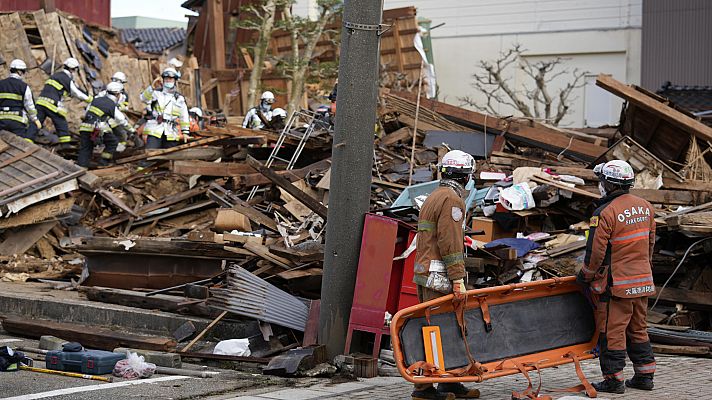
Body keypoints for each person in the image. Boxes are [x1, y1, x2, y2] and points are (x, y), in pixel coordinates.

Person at [577, 160, 656, 394]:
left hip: (616, 285)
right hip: (642, 281)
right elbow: (650, 244)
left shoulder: (604, 212)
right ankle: (645, 376)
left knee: (612, 331)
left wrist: (586, 276)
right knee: (638, 328)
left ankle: (613, 380)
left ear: (608, 184)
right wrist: (643, 270)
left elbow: (595, 251)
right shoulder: (646, 207)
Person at [411, 150, 480, 400]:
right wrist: (458, 279)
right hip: (440, 278)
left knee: (441, 330)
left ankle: (449, 381)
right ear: (465, 176)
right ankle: (425, 387)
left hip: (426, 273)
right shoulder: (452, 200)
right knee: (439, 331)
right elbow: (449, 243)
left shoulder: (434, 195)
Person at [27, 57, 91, 146]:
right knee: (61, 123)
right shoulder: (65, 78)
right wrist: (89, 99)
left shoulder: (55, 76)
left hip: (40, 103)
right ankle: (65, 146)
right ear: (73, 69)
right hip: (51, 104)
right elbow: (76, 92)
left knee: (36, 123)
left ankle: (27, 141)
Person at [77, 81, 132, 167]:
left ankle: (81, 167)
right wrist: (132, 130)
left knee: (86, 147)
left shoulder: (96, 99)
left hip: (84, 127)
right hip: (96, 129)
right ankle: (103, 162)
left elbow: (87, 112)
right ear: (117, 94)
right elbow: (121, 119)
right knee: (112, 143)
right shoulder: (111, 104)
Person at [140, 67, 190, 149]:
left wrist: (185, 132)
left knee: (171, 156)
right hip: (155, 129)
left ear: (175, 81)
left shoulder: (179, 98)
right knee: (150, 155)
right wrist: (152, 87)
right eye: (166, 79)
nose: (168, 81)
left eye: (170, 79)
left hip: (171, 132)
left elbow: (184, 116)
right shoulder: (156, 93)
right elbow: (143, 99)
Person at [0, 59, 40, 139]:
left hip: (1, 121)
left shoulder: (1, 84)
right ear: (19, 72)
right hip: (17, 122)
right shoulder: (24, 86)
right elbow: (29, 106)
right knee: (20, 144)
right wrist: (35, 119)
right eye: (24, 72)